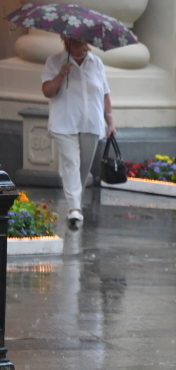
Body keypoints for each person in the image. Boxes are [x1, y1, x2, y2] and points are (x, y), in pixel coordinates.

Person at [40, 37, 113, 228]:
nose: (78, 42)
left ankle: (75, 203)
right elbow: (47, 91)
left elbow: (104, 93)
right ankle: (74, 209)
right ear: (66, 39)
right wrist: (60, 75)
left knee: (83, 167)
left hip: (91, 123)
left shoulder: (96, 62)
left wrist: (110, 122)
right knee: (71, 162)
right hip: (64, 123)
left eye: (81, 39)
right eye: (73, 38)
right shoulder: (55, 61)